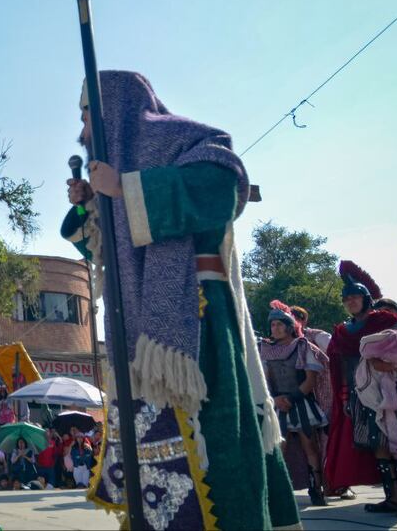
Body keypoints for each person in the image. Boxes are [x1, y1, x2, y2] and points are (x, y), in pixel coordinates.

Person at [62, 71, 299, 529]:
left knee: (216, 444)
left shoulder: (189, 142)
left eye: (87, 115)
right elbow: (103, 251)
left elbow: (222, 190)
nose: (83, 130)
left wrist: (125, 189)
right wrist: (92, 204)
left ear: (115, 109)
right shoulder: (116, 172)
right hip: (138, 334)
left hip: (196, 319)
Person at [324, 260, 397, 516]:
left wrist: (390, 364)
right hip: (359, 394)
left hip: (393, 390)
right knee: (377, 444)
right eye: (347, 298)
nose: (351, 301)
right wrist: (343, 395)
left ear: (365, 299)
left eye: (355, 297)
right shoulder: (342, 332)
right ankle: (392, 498)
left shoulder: (386, 321)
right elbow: (339, 367)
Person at [259, 304, 330, 505]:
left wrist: (291, 399)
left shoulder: (302, 346)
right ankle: (279, 493)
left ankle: (317, 489)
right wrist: (275, 399)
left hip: (301, 403)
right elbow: (263, 379)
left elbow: (310, 380)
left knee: (310, 446)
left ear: (290, 326)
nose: (276, 328)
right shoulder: (264, 348)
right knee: (278, 447)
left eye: (280, 324)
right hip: (277, 404)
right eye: (273, 325)